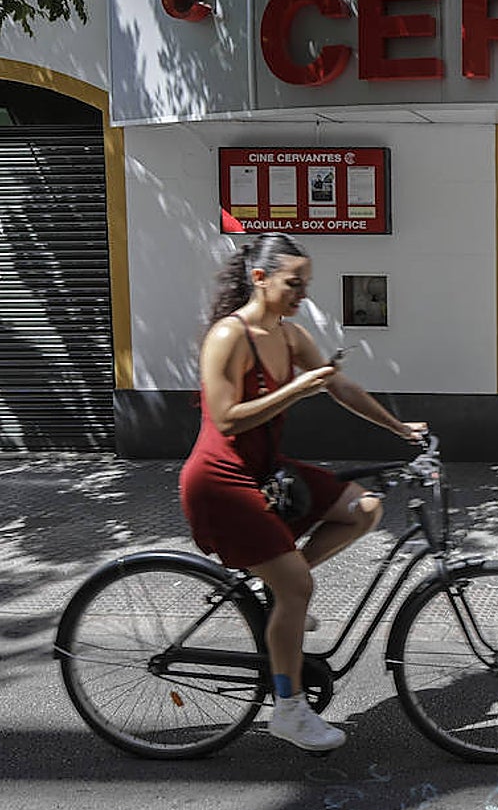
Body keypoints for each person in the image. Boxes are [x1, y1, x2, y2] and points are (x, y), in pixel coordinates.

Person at [180, 233, 425, 752]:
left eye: (306, 285)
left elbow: (338, 385)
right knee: (295, 589)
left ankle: (283, 601)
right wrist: (295, 389)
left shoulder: (289, 336)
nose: (303, 294)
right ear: (260, 278)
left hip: (266, 469)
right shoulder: (229, 336)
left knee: (365, 507)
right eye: (295, 283)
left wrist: (398, 429)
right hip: (220, 482)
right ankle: (288, 709)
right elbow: (224, 418)